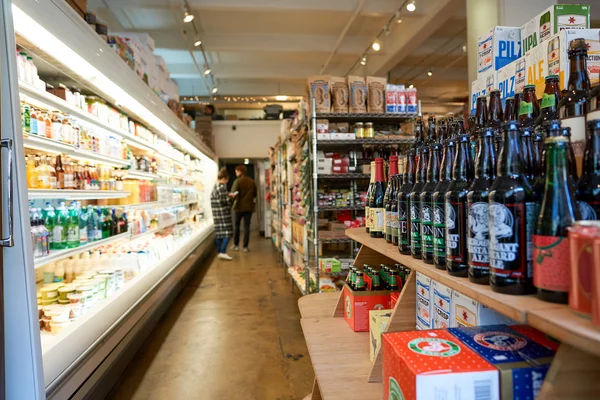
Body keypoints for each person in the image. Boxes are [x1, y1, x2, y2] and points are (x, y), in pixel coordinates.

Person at [231, 165, 257, 252]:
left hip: (238, 207)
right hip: (249, 207)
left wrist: (231, 200)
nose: (235, 173)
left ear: (240, 171)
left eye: (236, 171)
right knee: (247, 227)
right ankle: (245, 247)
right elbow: (255, 194)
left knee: (237, 226)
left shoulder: (237, 181)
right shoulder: (252, 181)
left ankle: (236, 245)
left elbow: (234, 194)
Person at [211, 168, 235, 260]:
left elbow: (219, 197)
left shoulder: (215, 187)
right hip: (223, 214)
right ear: (224, 178)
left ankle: (219, 252)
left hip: (216, 214)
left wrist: (227, 194)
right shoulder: (222, 187)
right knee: (227, 233)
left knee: (219, 234)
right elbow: (225, 201)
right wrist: (231, 198)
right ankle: (223, 251)